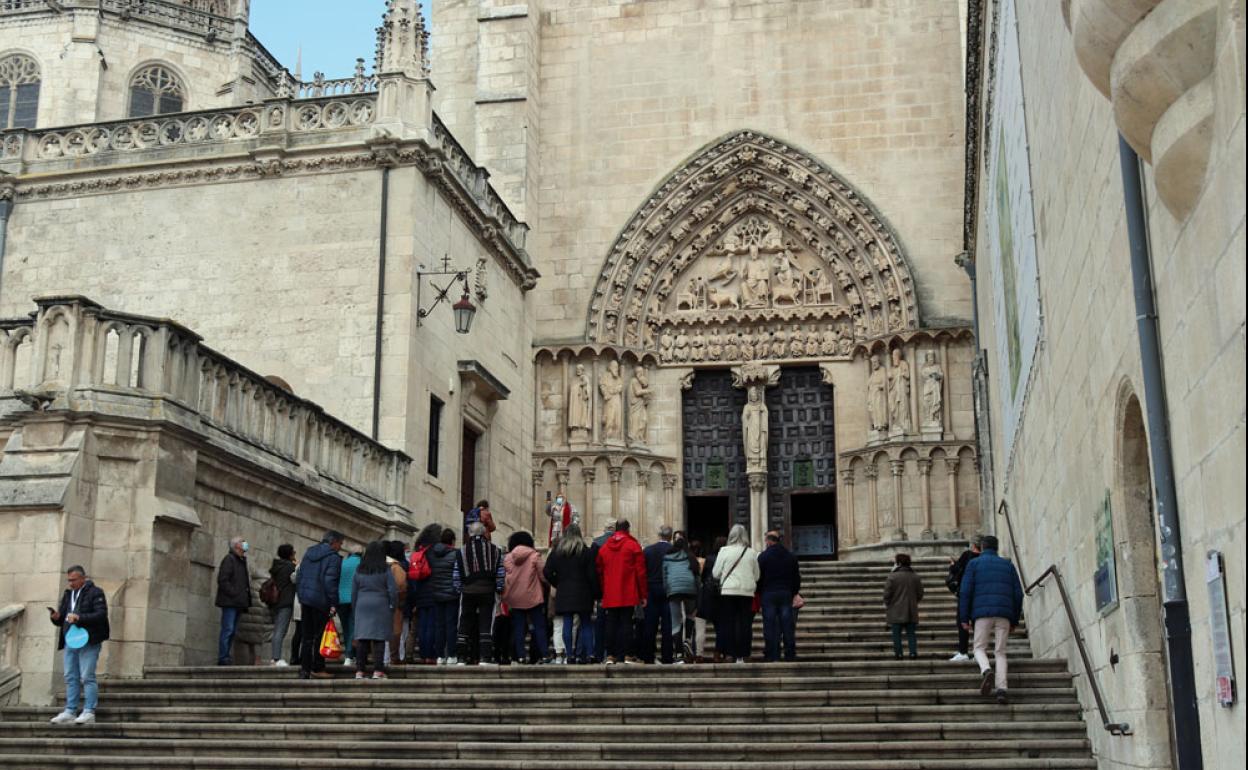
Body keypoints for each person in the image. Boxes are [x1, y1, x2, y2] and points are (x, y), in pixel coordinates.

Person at [958, 535, 1025, 705]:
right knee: (1000, 652)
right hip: (1004, 614)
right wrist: (1015, 619)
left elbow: (965, 592)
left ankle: (986, 670)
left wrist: (964, 617)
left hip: (981, 613)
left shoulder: (973, 564)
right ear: (996, 548)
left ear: (981, 547)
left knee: (979, 648)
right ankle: (1002, 690)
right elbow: (1018, 594)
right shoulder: (1008, 565)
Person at [48, 565, 110, 725]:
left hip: (89, 640)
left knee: (87, 676)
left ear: (83, 578)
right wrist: (56, 617)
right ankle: (70, 710)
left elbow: (101, 614)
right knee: (70, 676)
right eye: (69, 580)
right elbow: (63, 618)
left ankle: (89, 711)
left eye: (73, 580)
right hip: (71, 640)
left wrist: (79, 617)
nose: (70, 583)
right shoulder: (69, 594)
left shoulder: (96, 592)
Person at [544, 523, 598, 664]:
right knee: (586, 623)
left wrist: (558, 583)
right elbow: (593, 575)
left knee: (567, 622)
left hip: (565, 592)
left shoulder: (558, 552)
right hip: (584, 592)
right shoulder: (586, 552)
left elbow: (546, 571)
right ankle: (591, 654)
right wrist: (596, 593)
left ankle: (569, 654)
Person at [596, 518, 646, 665]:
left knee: (611, 623)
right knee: (627, 623)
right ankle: (628, 655)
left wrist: (603, 589)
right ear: (628, 530)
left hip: (610, 592)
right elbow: (641, 572)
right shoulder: (633, 546)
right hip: (628, 591)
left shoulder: (604, 548)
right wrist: (643, 594)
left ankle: (611, 655)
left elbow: (599, 571)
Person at [295, 530, 344, 680]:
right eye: (340, 544)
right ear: (333, 542)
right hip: (321, 600)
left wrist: (302, 595)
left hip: (306, 599)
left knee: (307, 636)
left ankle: (305, 669)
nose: (340, 547)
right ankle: (318, 666)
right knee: (319, 635)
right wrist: (333, 603)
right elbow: (330, 582)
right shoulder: (334, 558)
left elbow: (300, 575)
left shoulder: (309, 553)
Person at [455, 521, 506, 665]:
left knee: (464, 622)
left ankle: (461, 657)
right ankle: (485, 657)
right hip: (487, 591)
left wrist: (460, 589)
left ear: (470, 534)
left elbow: (456, 574)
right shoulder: (495, 550)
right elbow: (500, 573)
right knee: (486, 623)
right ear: (484, 533)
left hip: (467, 591)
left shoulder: (462, 551)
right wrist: (499, 589)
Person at [711, 524, 759, 664]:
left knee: (728, 622)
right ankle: (744, 653)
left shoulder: (724, 551)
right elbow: (757, 575)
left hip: (729, 591)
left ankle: (730, 653)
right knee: (745, 623)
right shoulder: (751, 552)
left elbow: (715, 573)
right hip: (746, 592)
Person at [351, 541, 398, 679]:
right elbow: (392, 590)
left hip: (362, 605)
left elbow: (354, 591)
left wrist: (355, 608)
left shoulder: (359, 569)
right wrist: (392, 606)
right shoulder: (385, 569)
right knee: (379, 638)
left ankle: (360, 670)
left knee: (362, 639)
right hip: (381, 605)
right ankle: (378, 670)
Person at [503, 531, 549, 663]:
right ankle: (545, 654)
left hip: (515, 597)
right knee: (539, 626)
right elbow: (543, 576)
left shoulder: (508, 558)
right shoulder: (534, 556)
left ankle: (520, 656)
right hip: (533, 597)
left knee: (519, 628)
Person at [756, 530, 801, 662]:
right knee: (787, 625)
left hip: (768, 594)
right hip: (786, 594)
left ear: (769, 541)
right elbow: (796, 578)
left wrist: (759, 592)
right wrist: (794, 592)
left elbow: (759, 578)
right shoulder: (790, 556)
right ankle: (789, 654)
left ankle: (771, 654)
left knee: (769, 625)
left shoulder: (763, 557)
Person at [408, 522, 443, 664]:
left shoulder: (419, 550)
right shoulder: (436, 551)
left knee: (423, 626)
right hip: (434, 593)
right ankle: (430, 655)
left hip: (421, 595)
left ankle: (423, 654)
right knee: (432, 626)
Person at [661, 536, 700, 664]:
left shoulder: (667, 557)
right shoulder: (690, 556)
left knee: (675, 622)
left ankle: (678, 654)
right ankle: (687, 639)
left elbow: (664, 576)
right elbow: (696, 574)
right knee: (690, 614)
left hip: (673, 590)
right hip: (689, 588)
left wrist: (667, 591)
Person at [429, 527, 464, 665]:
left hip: (436, 593)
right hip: (451, 594)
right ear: (452, 541)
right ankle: (451, 654)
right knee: (451, 625)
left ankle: (439, 656)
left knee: (439, 626)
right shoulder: (455, 554)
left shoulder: (432, 554)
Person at [214, 536, 251, 666]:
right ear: (236, 546)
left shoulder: (241, 561)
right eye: (242, 542)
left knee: (233, 631)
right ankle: (223, 657)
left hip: (238, 603)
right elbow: (223, 580)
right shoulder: (229, 560)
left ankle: (226, 656)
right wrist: (234, 593)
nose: (245, 544)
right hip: (230, 602)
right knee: (228, 629)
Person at [641, 525, 674, 664]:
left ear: (659, 535)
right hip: (669, 590)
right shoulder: (674, 550)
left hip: (651, 589)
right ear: (671, 536)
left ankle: (648, 655)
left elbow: (643, 573)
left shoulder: (648, 550)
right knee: (668, 626)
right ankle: (667, 656)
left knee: (650, 625)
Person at [946, 537, 983, 661]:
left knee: (962, 622)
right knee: (978, 623)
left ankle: (963, 652)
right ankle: (979, 653)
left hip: (965, 594)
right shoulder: (983, 559)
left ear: (973, 546)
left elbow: (957, 569)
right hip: (979, 595)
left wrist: (952, 566)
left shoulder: (967, 555)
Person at [884, 552, 925, 659]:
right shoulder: (915, 577)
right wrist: (913, 602)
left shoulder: (892, 577)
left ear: (898, 563)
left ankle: (899, 654)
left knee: (896, 634)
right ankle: (912, 653)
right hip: (911, 610)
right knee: (911, 633)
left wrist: (888, 604)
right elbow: (920, 593)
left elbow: (887, 594)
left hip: (895, 610)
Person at [268, 544, 297, 666]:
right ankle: (276, 658)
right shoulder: (290, 567)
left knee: (277, 629)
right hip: (285, 601)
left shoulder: (276, 566)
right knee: (280, 630)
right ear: (289, 554)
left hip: (275, 601)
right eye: (293, 552)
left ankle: (275, 657)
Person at [701, 536, 728, 662]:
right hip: (724, 593)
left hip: (711, 595)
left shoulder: (710, 558)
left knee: (718, 626)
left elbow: (705, 576)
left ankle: (720, 651)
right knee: (723, 625)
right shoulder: (727, 558)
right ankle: (720, 651)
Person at [591, 521, 615, 662]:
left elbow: (593, 571)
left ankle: (599, 653)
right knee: (615, 622)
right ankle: (613, 653)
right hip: (616, 591)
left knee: (600, 623)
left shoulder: (596, 543)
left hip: (601, 591)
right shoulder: (622, 543)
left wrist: (596, 592)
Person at [384, 541, 409, 666]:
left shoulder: (379, 565)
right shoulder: (396, 567)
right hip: (394, 604)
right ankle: (393, 658)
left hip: (381, 603)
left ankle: (384, 658)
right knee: (396, 631)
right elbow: (401, 586)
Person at [337, 548, 361, 667]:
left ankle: (349, 653)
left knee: (346, 628)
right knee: (353, 628)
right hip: (354, 599)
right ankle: (349, 655)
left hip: (340, 600)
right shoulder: (361, 563)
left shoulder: (342, 563)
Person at [689, 540, 708, 661]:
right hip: (702, 594)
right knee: (700, 626)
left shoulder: (689, 562)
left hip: (690, 593)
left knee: (689, 626)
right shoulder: (704, 562)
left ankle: (688, 651)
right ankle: (699, 653)